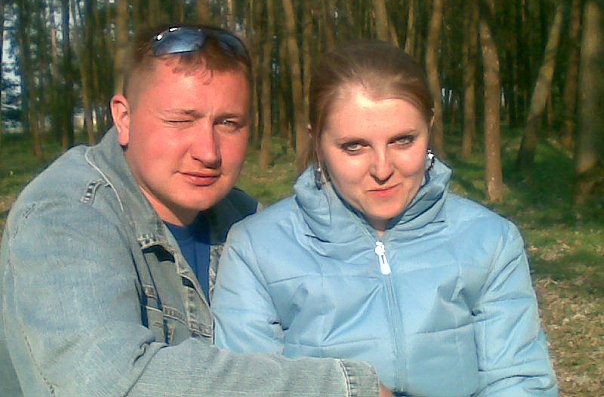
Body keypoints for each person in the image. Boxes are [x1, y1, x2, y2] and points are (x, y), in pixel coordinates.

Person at [0, 25, 392, 396]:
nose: (208, 152)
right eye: (180, 121)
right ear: (124, 118)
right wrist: (340, 387)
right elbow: (105, 381)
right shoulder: (66, 216)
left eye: (228, 123)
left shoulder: (246, 219)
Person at [212, 40, 559, 396]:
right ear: (317, 141)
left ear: (430, 127)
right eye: (354, 146)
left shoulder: (490, 240)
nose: (382, 169)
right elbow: (248, 385)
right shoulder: (257, 249)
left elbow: (519, 380)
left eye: (403, 141)